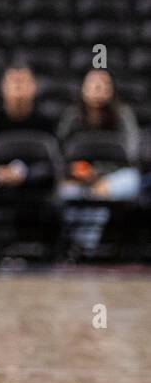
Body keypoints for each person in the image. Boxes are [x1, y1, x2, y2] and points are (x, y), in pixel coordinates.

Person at [55, 69, 141, 255]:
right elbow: (61, 152)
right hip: (78, 177)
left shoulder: (123, 115)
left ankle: (85, 248)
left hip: (115, 176)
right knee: (68, 192)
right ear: (83, 88)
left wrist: (99, 176)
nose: (98, 88)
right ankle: (74, 246)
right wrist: (74, 172)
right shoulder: (72, 116)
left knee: (105, 190)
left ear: (112, 89)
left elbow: (131, 153)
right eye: (93, 83)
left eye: (104, 83)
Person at [0, 62, 55, 192]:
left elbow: (53, 164)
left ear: (34, 87)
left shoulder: (47, 122)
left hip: (37, 186)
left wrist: (24, 173)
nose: (18, 86)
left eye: (23, 82)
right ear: (3, 87)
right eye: (14, 82)